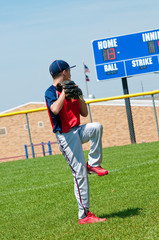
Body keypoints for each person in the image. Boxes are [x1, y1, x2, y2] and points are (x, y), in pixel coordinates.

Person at [45, 59, 108, 224]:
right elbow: (55, 109)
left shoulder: (74, 88)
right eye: (69, 70)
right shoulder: (50, 92)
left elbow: (85, 113)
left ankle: (93, 163)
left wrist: (78, 96)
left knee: (96, 127)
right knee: (79, 175)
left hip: (77, 130)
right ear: (64, 72)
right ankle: (84, 215)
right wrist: (65, 92)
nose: (71, 73)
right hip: (66, 137)